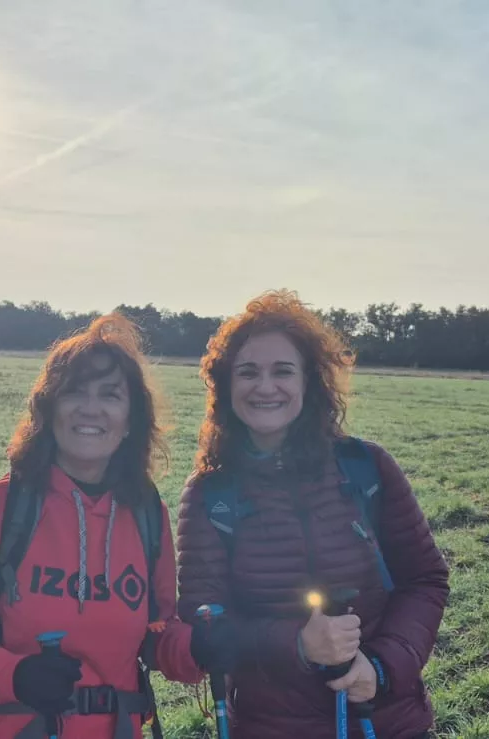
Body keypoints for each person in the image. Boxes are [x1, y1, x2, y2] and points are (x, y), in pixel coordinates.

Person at [0, 314, 235, 739]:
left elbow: (157, 632)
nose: (90, 408)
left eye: (110, 395)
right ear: (49, 409)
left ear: (131, 417)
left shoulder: (146, 513)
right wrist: (15, 675)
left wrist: (194, 648)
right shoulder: (4, 507)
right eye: (73, 392)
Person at [174, 290, 450, 739]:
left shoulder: (367, 468)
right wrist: (297, 645)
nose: (265, 387)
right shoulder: (211, 496)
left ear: (309, 382)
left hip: (386, 721)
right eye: (248, 372)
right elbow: (206, 625)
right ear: (225, 386)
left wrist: (379, 668)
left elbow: (425, 581)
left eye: (283, 371)